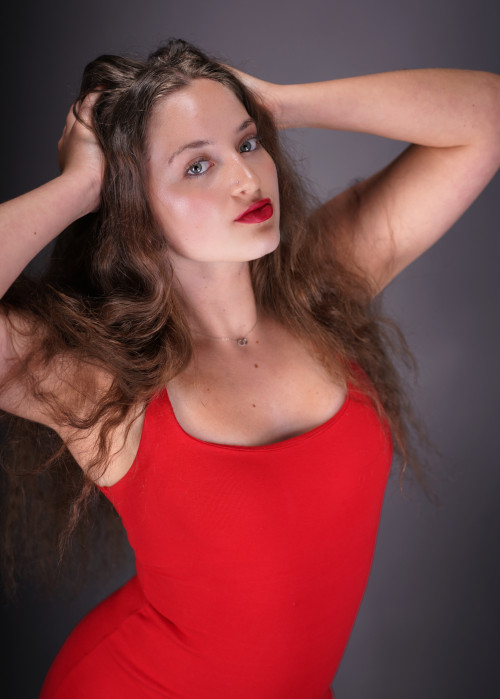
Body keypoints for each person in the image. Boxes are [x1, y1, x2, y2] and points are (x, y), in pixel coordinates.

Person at [0, 39, 498, 698]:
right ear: (135, 208)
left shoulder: (321, 289)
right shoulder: (102, 379)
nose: (245, 177)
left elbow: (487, 117)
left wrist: (276, 105)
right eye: (198, 165)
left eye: (247, 143)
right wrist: (81, 186)